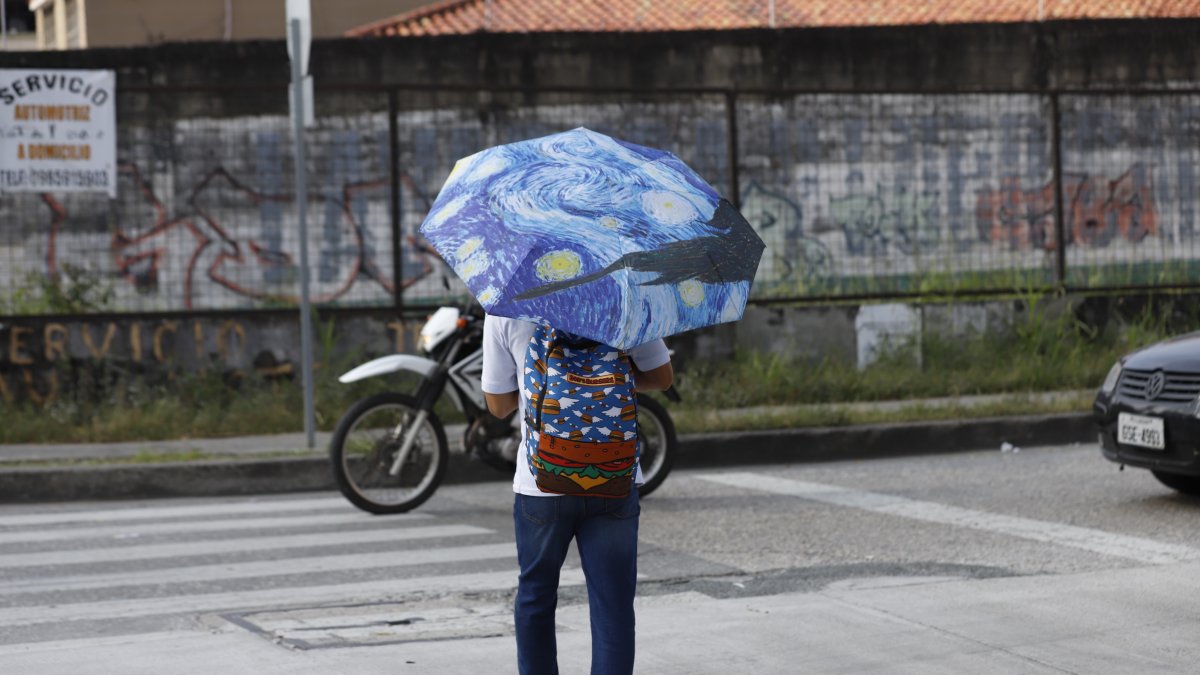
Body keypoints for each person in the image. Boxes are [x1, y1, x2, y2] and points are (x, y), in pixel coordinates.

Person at [481, 314, 674, 675]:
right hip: (614, 477)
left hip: (541, 482)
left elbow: (498, 405)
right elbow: (663, 378)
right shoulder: (623, 299)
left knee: (536, 598)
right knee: (613, 605)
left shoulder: (505, 308)